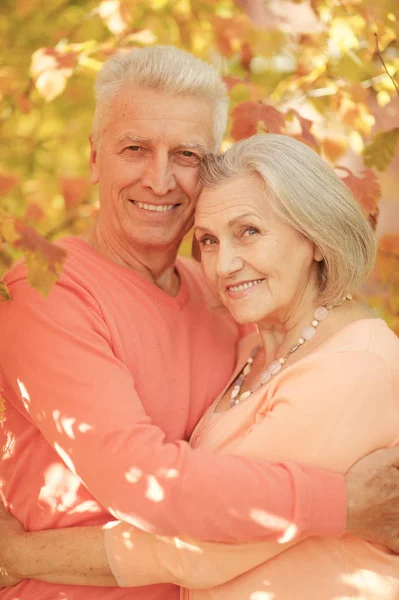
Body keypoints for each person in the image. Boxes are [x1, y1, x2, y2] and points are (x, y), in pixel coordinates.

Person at [1, 47, 399, 600]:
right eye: (135, 148)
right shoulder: (50, 292)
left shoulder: (222, 297)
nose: (160, 180)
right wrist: (344, 505)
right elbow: (143, 483)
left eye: (186, 154)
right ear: (95, 159)